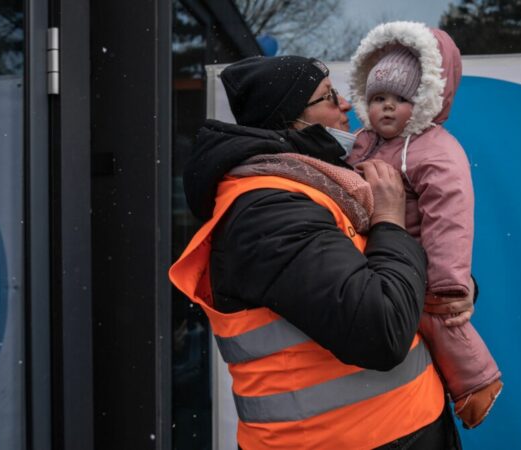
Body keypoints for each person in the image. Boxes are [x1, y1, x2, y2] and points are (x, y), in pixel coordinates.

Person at [170, 55, 471, 449]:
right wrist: (390, 220)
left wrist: (449, 293)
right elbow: (381, 330)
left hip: (399, 432)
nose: (347, 103)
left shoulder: (327, 189)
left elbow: (388, 281)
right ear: (291, 119)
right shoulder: (268, 211)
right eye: (328, 96)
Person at [347, 21, 503, 429]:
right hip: (381, 257)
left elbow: (449, 218)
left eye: (400, 98)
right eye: (378, 97)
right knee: (413, 329)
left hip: (419, 259)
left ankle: (478, 382)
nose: (385, 107)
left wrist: (449, 281)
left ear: (426, 99)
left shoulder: (435, 150)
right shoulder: (365, 141)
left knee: (441, 320)